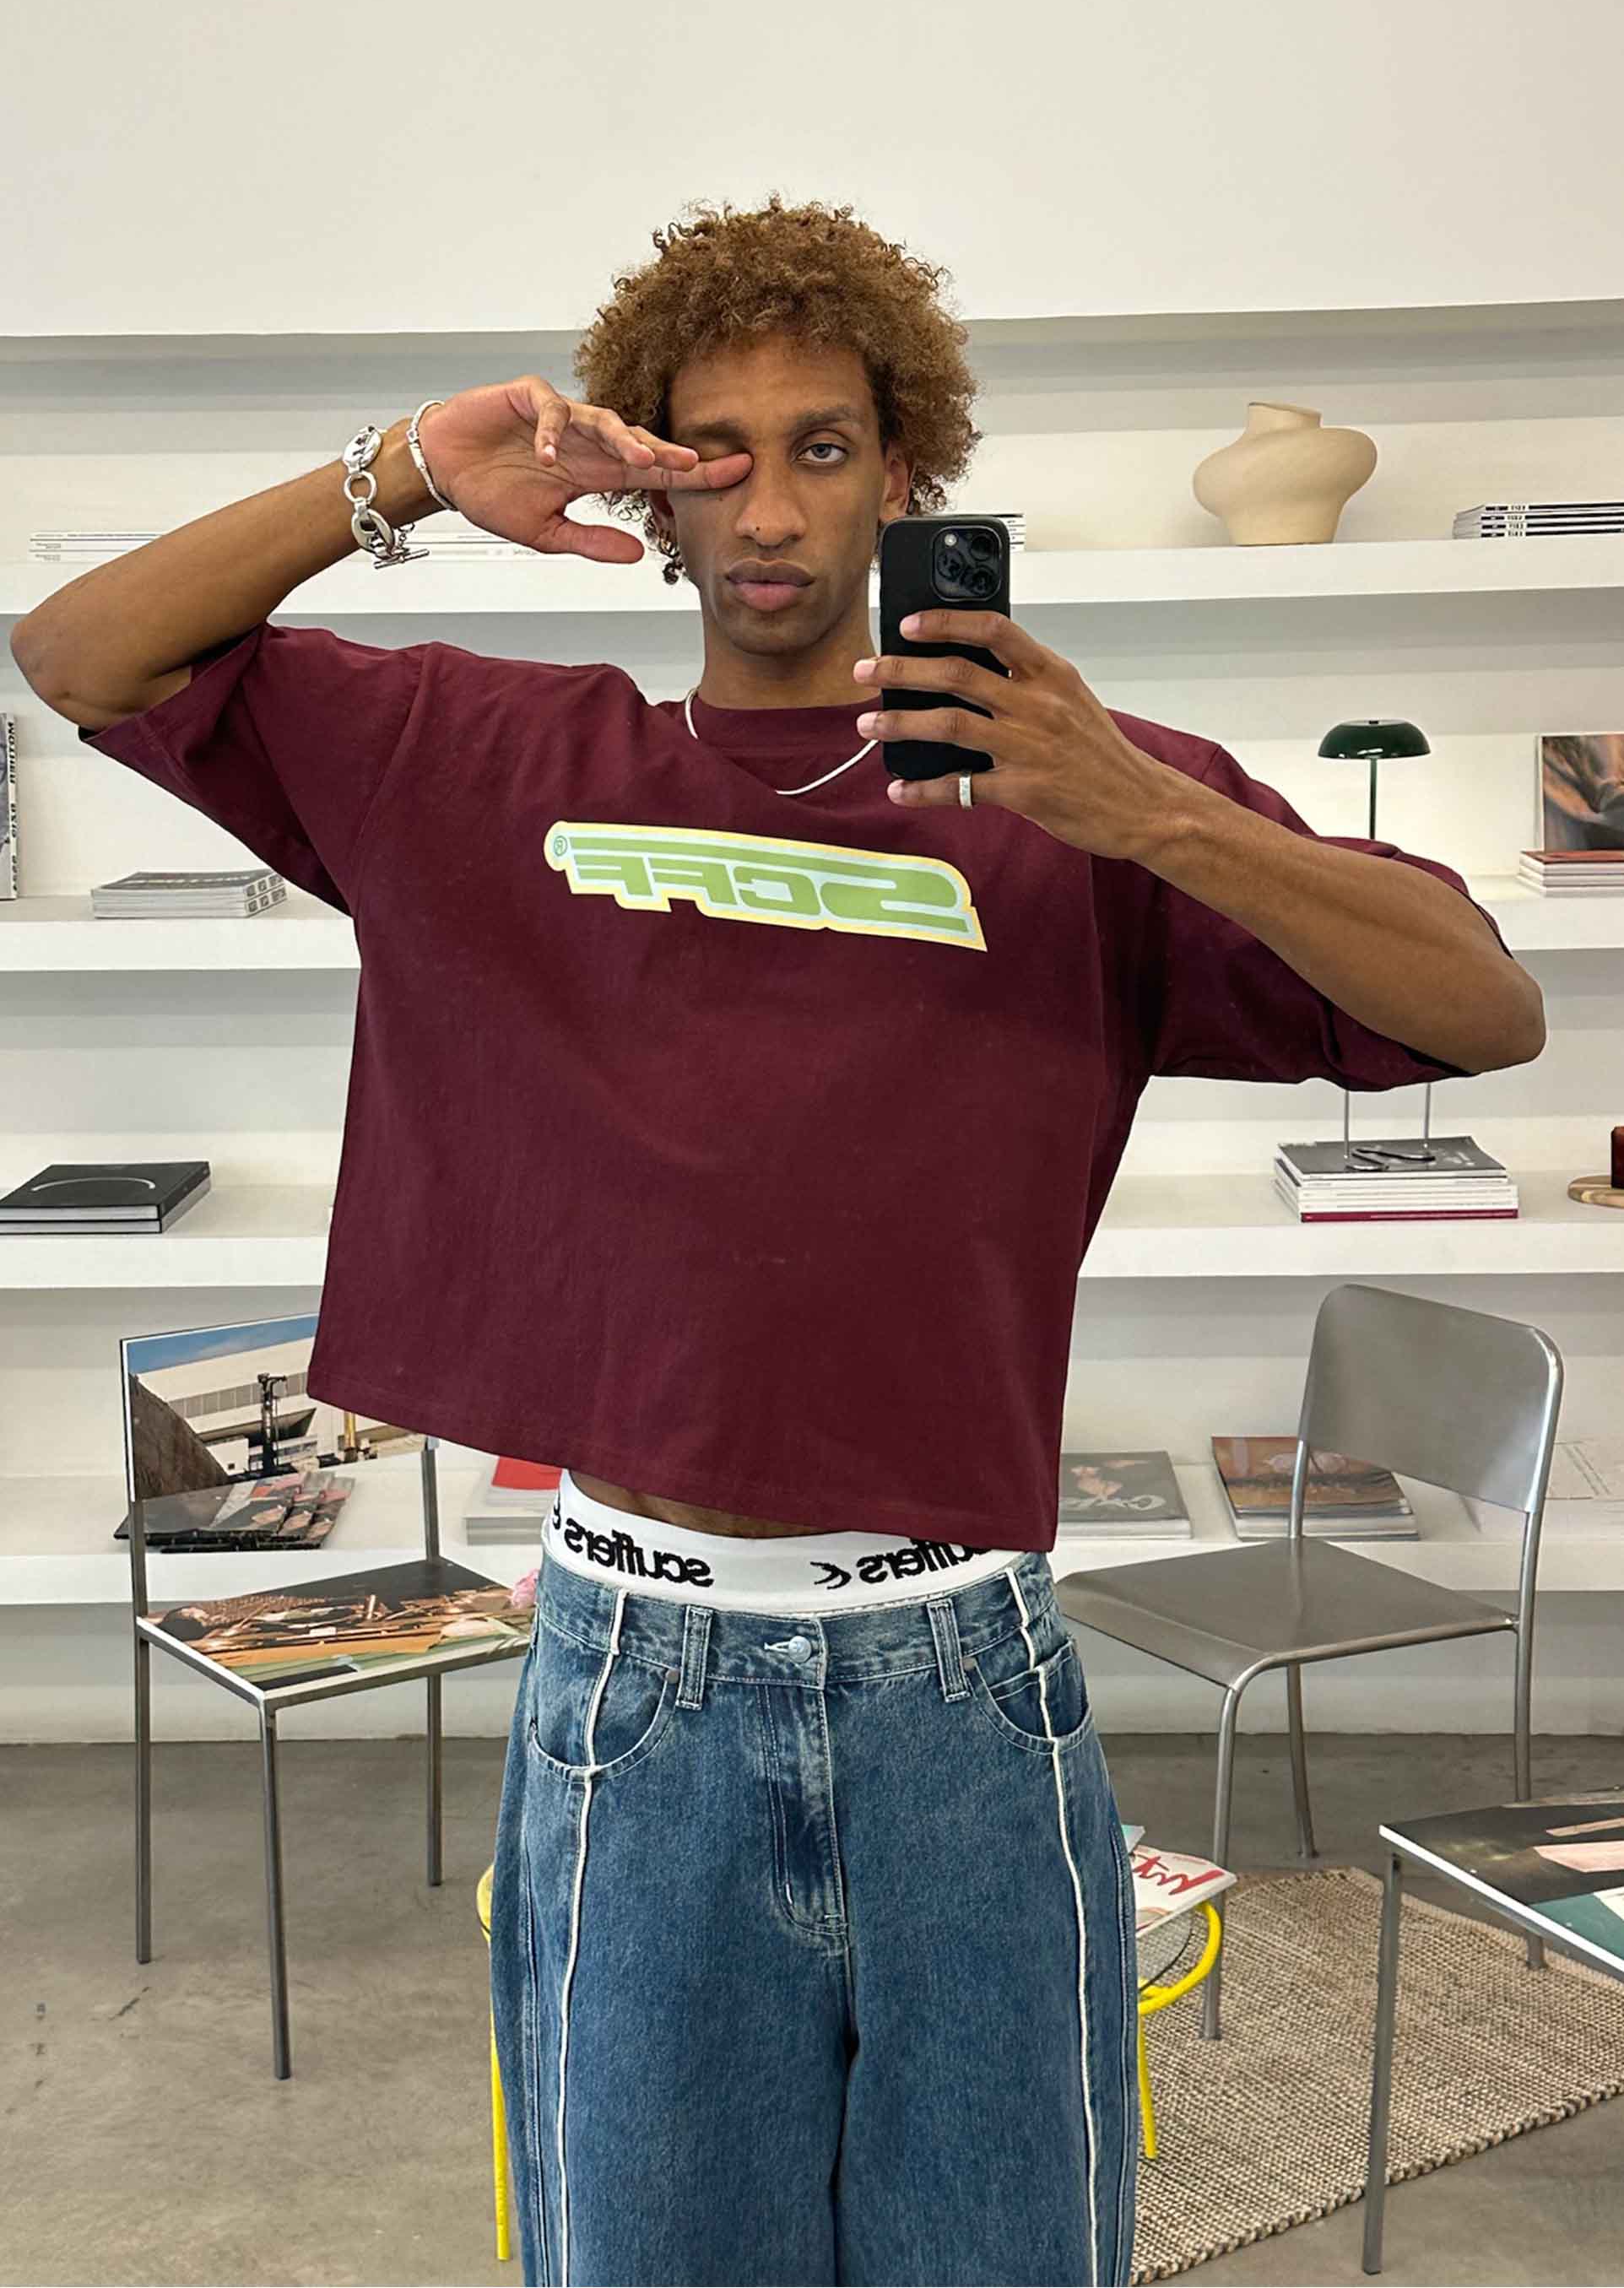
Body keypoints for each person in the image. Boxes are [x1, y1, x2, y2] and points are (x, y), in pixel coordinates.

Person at [18, 194, 1542, 2287]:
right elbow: (80, 654)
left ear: (904, 474)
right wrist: (406, 473)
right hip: (635, 1682)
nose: (765, 505)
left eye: (820, 447)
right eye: (711, 452)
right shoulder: (487, 758)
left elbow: (1480, 1007)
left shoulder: (1073, 797)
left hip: (962, 1686)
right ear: (644, 493)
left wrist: (1145, 811)